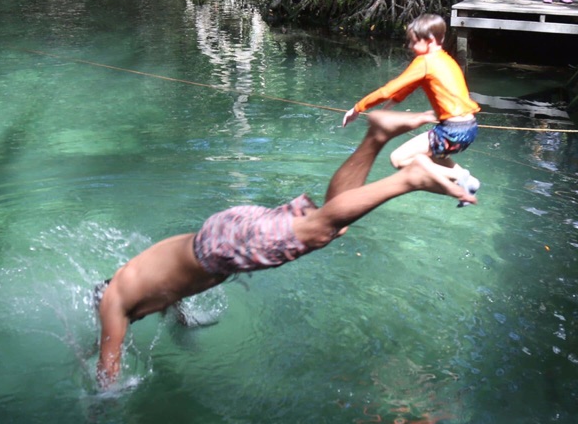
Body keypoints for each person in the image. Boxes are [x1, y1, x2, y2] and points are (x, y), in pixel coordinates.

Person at [95, 111, 478, 386]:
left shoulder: (114, 301)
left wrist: (101, 401)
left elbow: (108, 368)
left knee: (320, 231)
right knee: (332, 221)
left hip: (217, 249)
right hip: (220, 229)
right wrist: (184, 324)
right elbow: (170, 291)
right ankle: (376, 134)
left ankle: (409, 178)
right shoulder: (136, 276)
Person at [341, 14, 481, 194]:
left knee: (398, 159)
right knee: (436, 158)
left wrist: (358, 108)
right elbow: (405, 88)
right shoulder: (446, 59)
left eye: (414, 42)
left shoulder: (425, 61)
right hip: (468, 128)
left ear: (430, 40)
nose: (410, 47)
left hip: (452, 131)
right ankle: (463, 180)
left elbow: (387, 90)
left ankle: (461, 179)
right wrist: (386, 110)